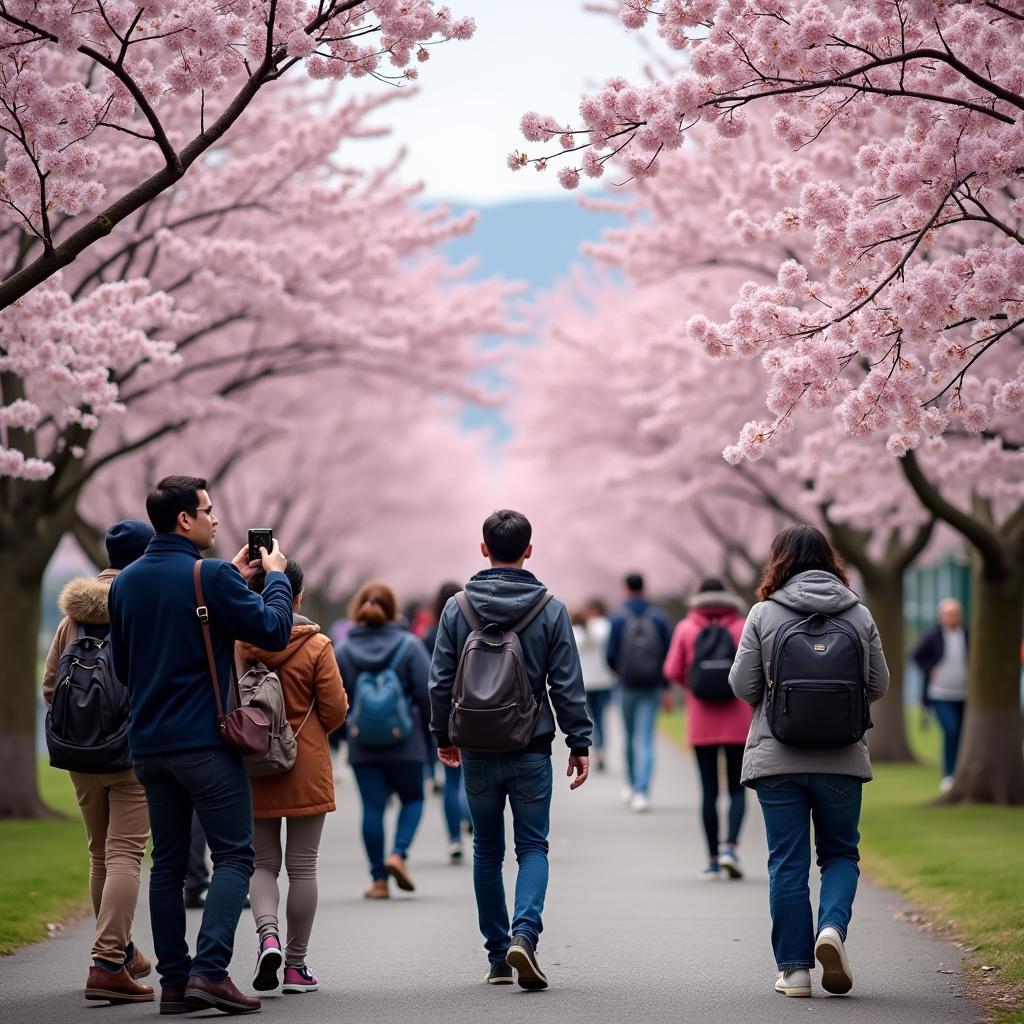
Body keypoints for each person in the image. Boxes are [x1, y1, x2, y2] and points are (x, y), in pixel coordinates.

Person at [108, 475, 294, 1016]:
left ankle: (174, 982)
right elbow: (274, 630)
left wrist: (228, 579)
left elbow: (123, 666)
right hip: (205, 745)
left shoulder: (126, 583)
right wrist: (275, 578)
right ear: (184, 520)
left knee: (166, 864)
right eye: (208, 511)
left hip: (148, 746)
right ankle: (211, 972)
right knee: (235, 855)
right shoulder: (208, 576)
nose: (216, 519)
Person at [428, 509, 592, 990]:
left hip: (475, 747)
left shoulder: (458, 608)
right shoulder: (550, 608)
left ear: (483, 548)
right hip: (531, 745)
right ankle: (525, 935)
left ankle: (499, 955)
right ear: (529, 549)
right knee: (533, 846)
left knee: (485, 850)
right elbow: (567, 684)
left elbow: (439, 681)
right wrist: (578, 740)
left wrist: (443, 735)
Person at [729, 525, 889, 999]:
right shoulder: (858, 614)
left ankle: (795, 972)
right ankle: (832, 930)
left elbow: (742, 684)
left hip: (778, 757)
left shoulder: (763, 612)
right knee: (840, 853)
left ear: (778, 560)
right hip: (840, 757)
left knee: (787, 861)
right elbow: (878, 684)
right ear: (831, 560)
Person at [42, 520, 156, 1004]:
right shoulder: (143, 607)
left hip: (79, 754)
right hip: (129, 752)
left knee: (99, 854)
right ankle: (108, 960)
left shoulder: (74, 616)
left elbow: (51, 685)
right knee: (127, 853)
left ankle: (123, 951)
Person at [238, 559, 348, 996]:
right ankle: (297, 966)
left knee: (262, 863)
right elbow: (336, 710)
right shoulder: (317, 645)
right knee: (303, 867)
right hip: (305, 762)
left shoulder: (236, 643)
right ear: (295, 596)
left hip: (252, 763)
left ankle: (268, 937)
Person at [335, 581, 432, 899]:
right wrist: (434, 734)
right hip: (406, 740)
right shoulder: (409, 645)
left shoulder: (344, 650)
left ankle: (378, 881)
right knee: (414, 799)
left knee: (373, 808)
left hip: (363, 742)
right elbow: (426, 693)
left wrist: (341, 736)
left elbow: (334, 698)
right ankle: (398, 853)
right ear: (393, 610)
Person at [663, 578, 752, 880]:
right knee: (738, 790)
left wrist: (694, 686)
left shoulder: (687, 628)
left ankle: (713, 859)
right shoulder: (742, 626)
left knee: (709, 791)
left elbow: (672, 670)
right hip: (739, 719)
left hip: (701, 722)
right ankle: (731, 848)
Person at [606, 573, 672, 812]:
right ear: (645, 588)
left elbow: (610, 655)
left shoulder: (617, 617)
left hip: (626, 686)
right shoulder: (659, 618)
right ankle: (643, 792)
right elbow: (669, 654)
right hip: (653, 685)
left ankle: (632, 785)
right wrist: (666, 686)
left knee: (629, 736)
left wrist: (622, 673)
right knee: (646, 739)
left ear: (625, 589)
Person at [423, 581, 470, 861]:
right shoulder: (469, 628)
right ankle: (470, 816)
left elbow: (433, 679)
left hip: (441, 709)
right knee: (469, 773)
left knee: (450, 777)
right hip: (472, 707)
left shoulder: (429, 635)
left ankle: (454, 839)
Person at [912, 599, 968, 793]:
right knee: (951, 730)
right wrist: (930, 670)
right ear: (942, 616)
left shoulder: (967, 635)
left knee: (962, 734)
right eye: (949, 613)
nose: (953, 617)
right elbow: (915, 655)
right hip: (940, 693)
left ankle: (961, 772)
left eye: (956, 613)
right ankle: (948, 774)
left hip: (964, 694)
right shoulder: (933, 636)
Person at [571, 599, 615, 772]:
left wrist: (584, 626)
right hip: (594, 682)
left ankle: (598, 753)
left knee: (595, 720)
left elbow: (591, 639)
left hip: (595, 682)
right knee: (596, 720)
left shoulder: (602, 625)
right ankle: (596, 752)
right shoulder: (581, 630)